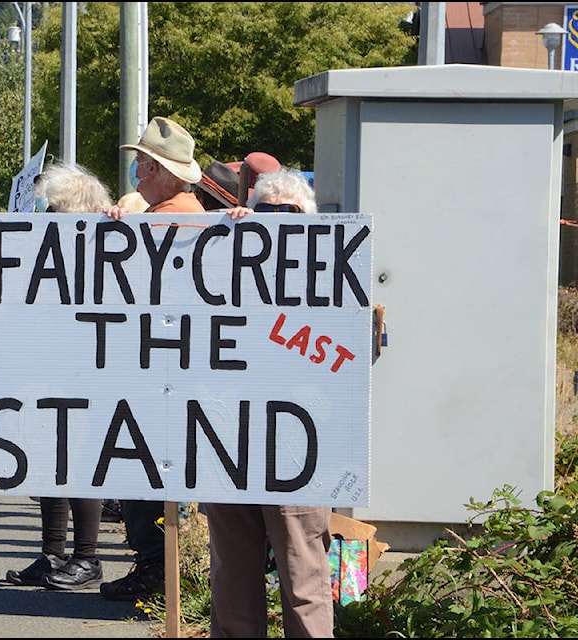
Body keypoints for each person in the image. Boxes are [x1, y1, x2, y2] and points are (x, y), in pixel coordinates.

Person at [207, 168, 335, 638]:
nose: (275, 224)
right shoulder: (223, 258)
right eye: (266, 213)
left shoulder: (332, 275)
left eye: (289, 215)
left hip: (296, 446)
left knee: (304, 579)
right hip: (225, 437)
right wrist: (225, 233)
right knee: (232, 583)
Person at [99, 115, 206, 602]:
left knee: (147, 476)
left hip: (158, 374)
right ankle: (161, 571)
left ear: (165, 172)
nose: (136, 177)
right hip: (172, 369)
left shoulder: (167, 222)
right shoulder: (184, 218)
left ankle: (155, 573)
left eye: (142, 167)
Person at [3, 162, 113, 591]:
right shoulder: (50, 250)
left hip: (88, 371)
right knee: (50, 461)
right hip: (49, 368)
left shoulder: (106, 248)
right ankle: (53, 553)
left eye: (55, 209)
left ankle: (88, 557)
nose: (48, 217)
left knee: (82, 462)